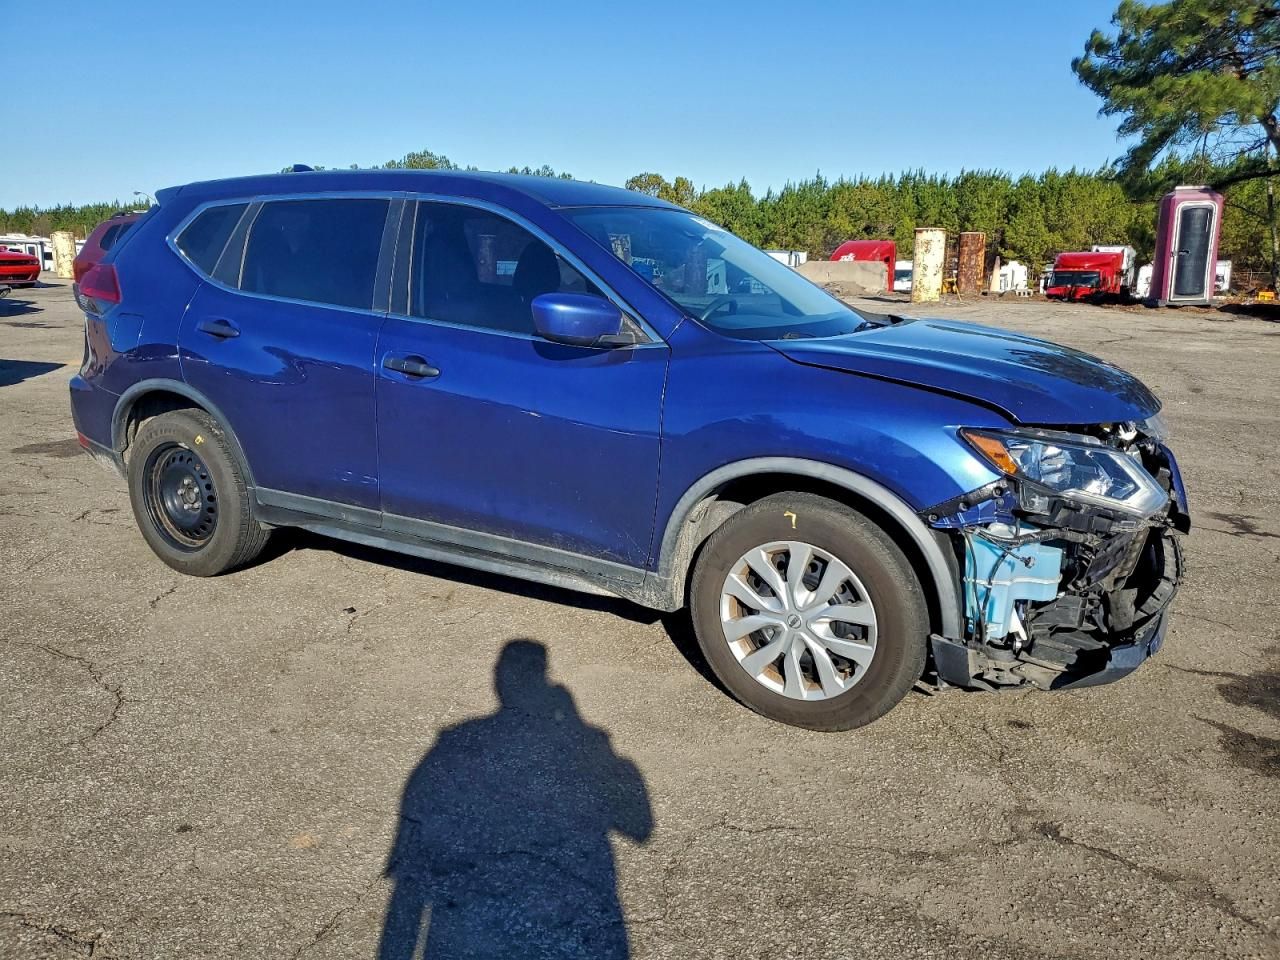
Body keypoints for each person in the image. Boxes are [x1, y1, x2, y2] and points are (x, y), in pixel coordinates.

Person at [378, 639, 653, 959]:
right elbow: (640, 827)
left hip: (475, 932)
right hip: (570, 928)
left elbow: (408, 880)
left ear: (498, 680)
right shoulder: (584, 748)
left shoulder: (454, 746)